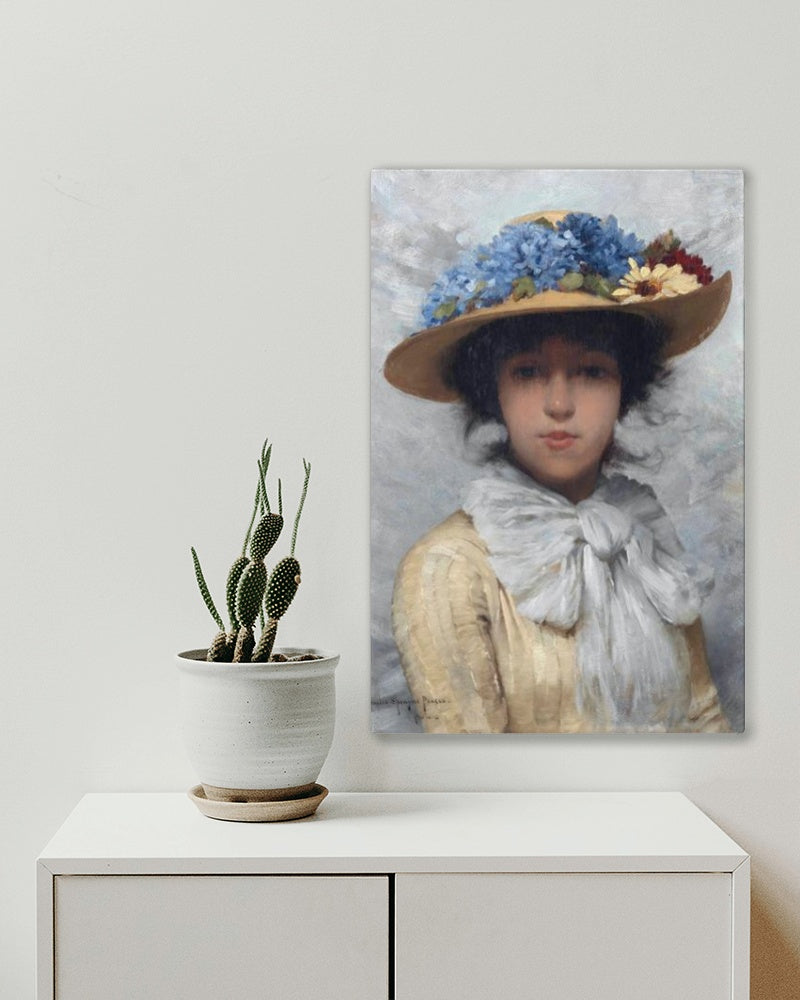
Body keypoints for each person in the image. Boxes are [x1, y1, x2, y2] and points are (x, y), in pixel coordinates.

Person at [383, 210, 733, 734]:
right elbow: (469, 777)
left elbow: (704, 722)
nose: (559, 403)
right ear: (492, 393)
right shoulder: (447, 566)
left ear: (625, 390)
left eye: (592, 372)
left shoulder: (640, 541)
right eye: (527, 373)